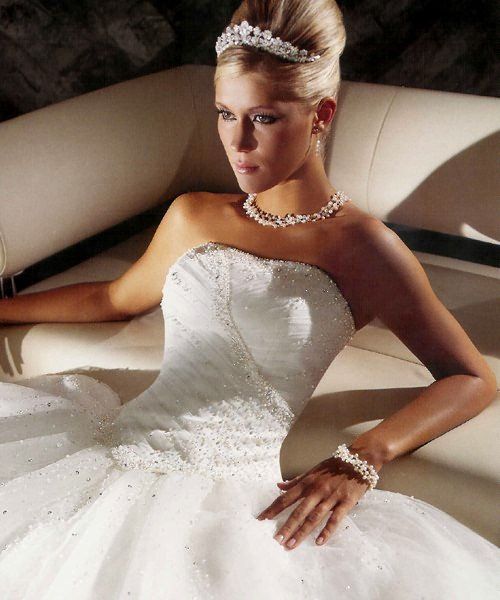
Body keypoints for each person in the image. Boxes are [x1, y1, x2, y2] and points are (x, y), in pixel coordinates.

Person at [0, 0, 498, 598]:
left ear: (321, 115)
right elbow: (113, 298)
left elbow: (471, 378)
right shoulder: (193, 214)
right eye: (224, 114)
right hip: (116, 450)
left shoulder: (365, 248)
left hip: (235, 489)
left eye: (263, 118)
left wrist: (363, 457)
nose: (237, 142)